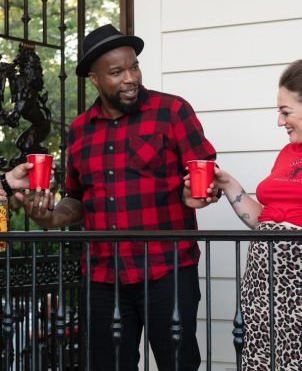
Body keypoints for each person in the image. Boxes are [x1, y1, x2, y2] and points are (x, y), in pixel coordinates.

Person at [4, 24, 220, 371]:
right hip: (103, 278)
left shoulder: (173, 112)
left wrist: (200, 193)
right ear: (94, 79)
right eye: (117, 72)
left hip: (167, 272)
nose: (130, 77)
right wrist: (48, 217)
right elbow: (77, 200)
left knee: (178, 365)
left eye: (134, 66)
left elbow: (206, 174)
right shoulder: (80, 130)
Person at [193, 59, 302, 370]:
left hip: (297, 283)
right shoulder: (287, 153)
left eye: (285, 111)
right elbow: (264, 219)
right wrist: (227, 183)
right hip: (263, 282)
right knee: (262, 360)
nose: (280, 122)